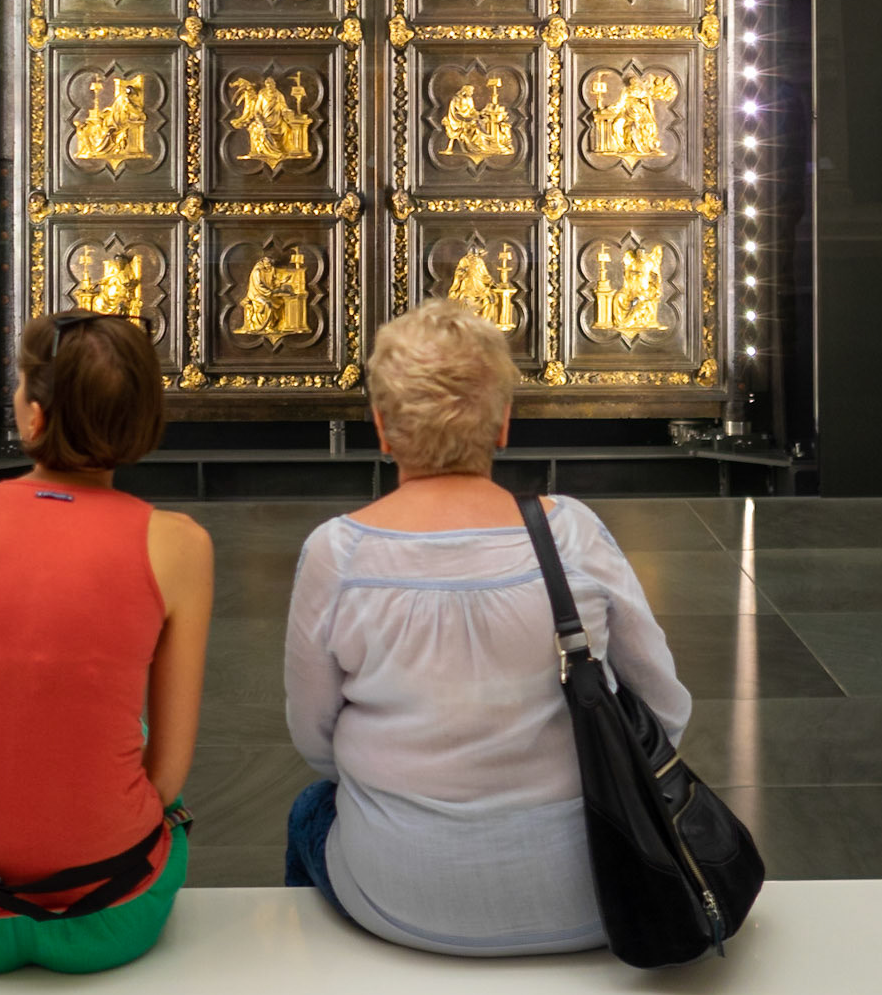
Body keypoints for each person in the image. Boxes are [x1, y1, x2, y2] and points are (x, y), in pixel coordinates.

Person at [282, 301, 690, 956]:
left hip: (400, 896)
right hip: (596, 888)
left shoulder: (337, 553)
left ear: (383, 429)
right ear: (502, 423)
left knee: (310, 808)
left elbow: (314, 737)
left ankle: (321, 985)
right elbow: (663, 707)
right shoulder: (573, 534)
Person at [0, 312, 213, 975]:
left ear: (34, 418)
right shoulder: (178, 545)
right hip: (106, 913)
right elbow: (168, 777)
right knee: (130, 729)